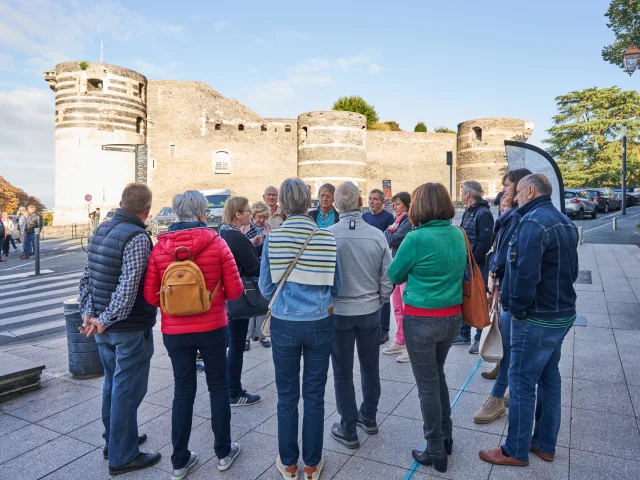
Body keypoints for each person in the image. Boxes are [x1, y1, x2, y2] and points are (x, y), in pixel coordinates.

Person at [143, 190, 244, 477]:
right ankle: (223, 452)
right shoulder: (218, 243)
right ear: (203, 213)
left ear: (176, 213)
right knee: (218, 386)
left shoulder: (160, 248)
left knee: (183, 390)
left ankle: (179, 460)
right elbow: (235, 291)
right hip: (213, 327)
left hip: (175, 330)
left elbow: (152, 296)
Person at [479, 174, 579, 467]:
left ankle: (515, 450)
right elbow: (570, 273)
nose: (515, 197)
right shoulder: (564, 221)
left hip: (535, 317)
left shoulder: (532, 222)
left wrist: (518, 310)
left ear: (531, 191)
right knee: (549, 379)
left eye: (519, 192)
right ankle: (543, 444)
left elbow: (525, 275)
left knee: (522, 382)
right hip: (560, 315)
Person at [259, 178, 342, 480]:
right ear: (309, 202)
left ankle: (289, 463)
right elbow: (338, 286)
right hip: (320, 322)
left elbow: (266, 286)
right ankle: (312, 464)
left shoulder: (274, 238)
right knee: (315, 395)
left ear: (280, 204)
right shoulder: (327, 238)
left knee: (286, 395)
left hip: (284, 324)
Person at [78, 183, 161, 476]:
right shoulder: (138, 237)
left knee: (113, 384)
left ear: (121, 202)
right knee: (128, 389)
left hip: (102, 324)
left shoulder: (101, 229)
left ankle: (114, 439)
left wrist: (90, 314)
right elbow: (128, 289)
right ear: (147, 210)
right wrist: (105, 318)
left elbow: (87, 277)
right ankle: (123, 455)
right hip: (126, 326)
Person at [387, 183, 467, 474]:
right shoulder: (458, 233)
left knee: (427, 386)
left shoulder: (415, 237)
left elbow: (394, 274)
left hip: (421, 318)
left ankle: (435, 448)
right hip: (452, 317)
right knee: (438, 374)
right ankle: (446, 437)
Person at [328, 182, 392, 449]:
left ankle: (348, 427)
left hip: (340, 312)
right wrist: (379, 300)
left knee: (342, 371)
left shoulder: (328, 235)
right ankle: (370, 416)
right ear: (360, 202)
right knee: (370, 366)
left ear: (337, 205)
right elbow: (388, 276)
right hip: (369, 311)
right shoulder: (377, 235)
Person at [474, 168, 531, 421]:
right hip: (503, 287)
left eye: (508, 186)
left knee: (509, 347)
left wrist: (496, 285)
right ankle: (508, 388)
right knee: (509, 346)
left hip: (511, 291)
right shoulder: (510, 215)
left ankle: (498, 397)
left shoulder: (518, 218)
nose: (504, 190)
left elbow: (508, 257)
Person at [219, 197, 262, 407]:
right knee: (236, 345)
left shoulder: (222, 232)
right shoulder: (237, 238)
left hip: (225, 297)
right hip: (239, 297)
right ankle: (234, 392)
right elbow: (254, 267)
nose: (249, 215)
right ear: (237, 214)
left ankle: (228, 388)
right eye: (247, 211)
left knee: (230, 343)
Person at [453, 180, 494, 354]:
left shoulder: (483, 213)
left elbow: (485, 241)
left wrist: (473, 262)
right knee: (465, 296)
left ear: (468, 194)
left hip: (476, 264)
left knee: (478, 299)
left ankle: (478, 338)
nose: (461, 194)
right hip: (466, 262)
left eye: (462, 191)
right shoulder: (470, 211)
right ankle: (464, 334)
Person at [382, 192, 412, 363]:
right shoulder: (398, 221)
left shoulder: (408, 220)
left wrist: (387, 231)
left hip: (404, 270)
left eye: (398, 204)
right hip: (396, 267)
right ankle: (400, 340)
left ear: (407, 205)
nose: (395, 207)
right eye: (393, 204)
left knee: (406, 308)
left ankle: (409, 345)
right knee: (397, 306)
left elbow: (391, 239)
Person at [362, 188, 395, 344]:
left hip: (381, 261)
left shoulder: (388, 218)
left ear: (383, 202)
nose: (371, 201)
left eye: (375, 199)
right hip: (365, 261)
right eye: (370, 198)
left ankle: (384, 330)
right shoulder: (364, 216)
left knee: (384, 296)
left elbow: (389, 240)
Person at [240, 201, 273, 348]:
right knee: (248, 303)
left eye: (264, 217)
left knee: (263, 303)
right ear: (253, 215)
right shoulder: (244, 228)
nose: (261, 220)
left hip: (263, 269)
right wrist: (253, 242)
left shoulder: (268, 228)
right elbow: (241, 247)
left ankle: (262, 335)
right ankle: (246, 338)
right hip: (248, 269)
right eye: (259, 217)